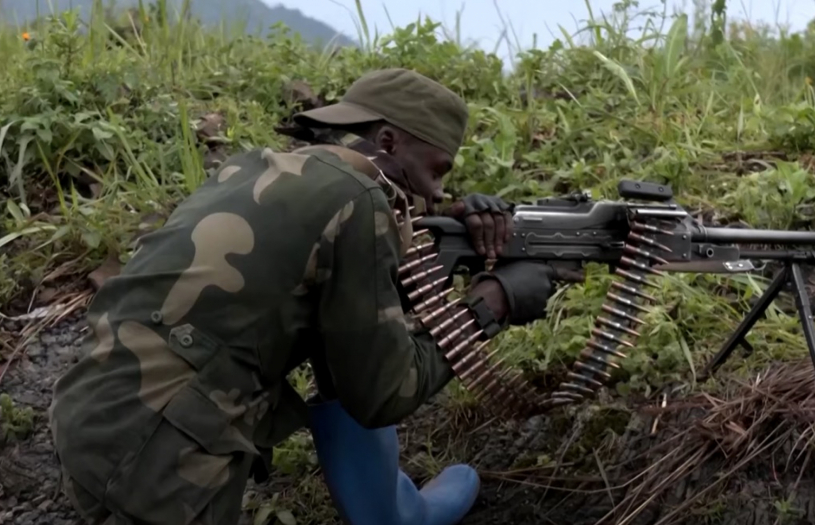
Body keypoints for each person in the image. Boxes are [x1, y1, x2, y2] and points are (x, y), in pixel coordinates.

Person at [48, 68, 575, 525]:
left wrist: (448, 231)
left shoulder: (256, 168)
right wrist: (492, 303)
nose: (437, 194)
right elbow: (382, 395)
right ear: (388, 142)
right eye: (437, 171)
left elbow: (340, 314)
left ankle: (398, 514)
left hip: (95, 416)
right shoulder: (361, 200)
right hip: (158, 456)